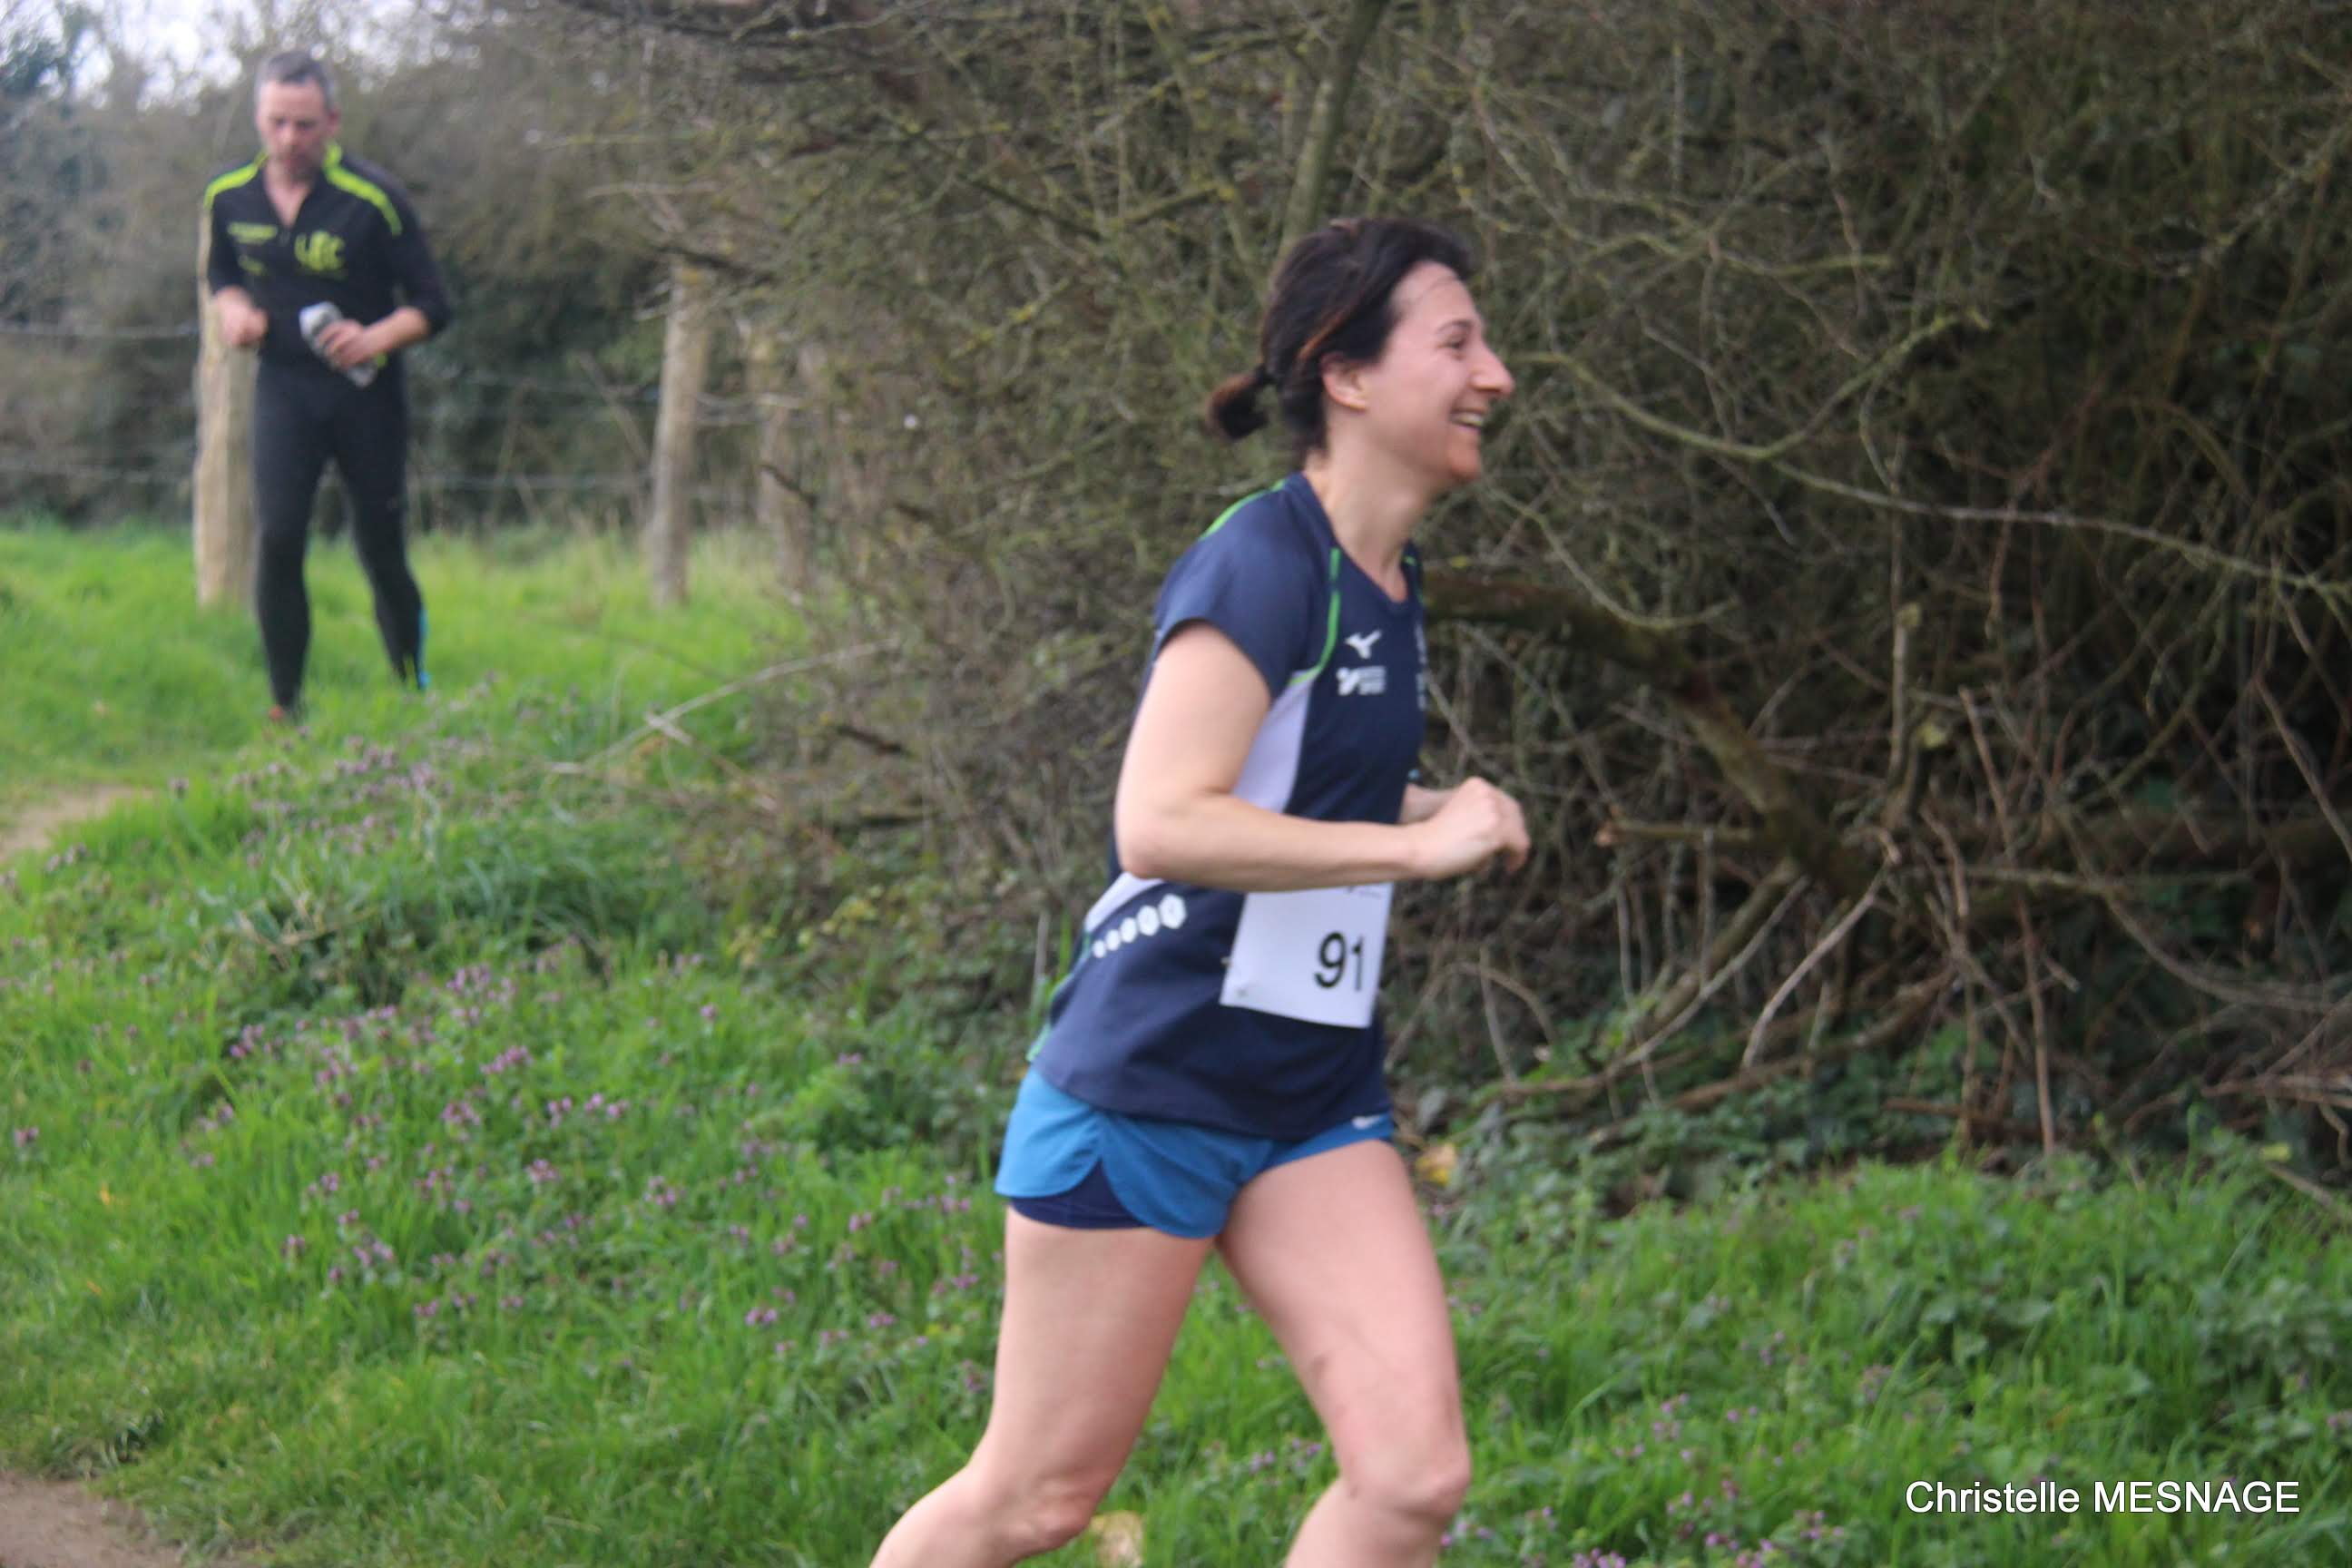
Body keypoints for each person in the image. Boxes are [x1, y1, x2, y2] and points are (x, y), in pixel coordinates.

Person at [869, 216, 1528, 1568]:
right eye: (1458, 343)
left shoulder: (1389, 579)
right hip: (1154, 1080)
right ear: (1349, 375)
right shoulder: (1263, 562)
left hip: (1307, 1087)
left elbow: (1296, 776)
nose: (1495, 374)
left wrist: (1433, 807)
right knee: (1037, 1501)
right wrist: (1413, 849)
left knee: (1411, 1478)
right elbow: (1163, 818)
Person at [202, 50, 455, 720]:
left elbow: (434, 304)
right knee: (279, 538)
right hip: (284, 388)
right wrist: (234, 310)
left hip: (366, 395)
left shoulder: (375, 200)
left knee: (380, 544)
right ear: (258, 118)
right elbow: (223, 273)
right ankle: (286, 707)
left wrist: (376, 337)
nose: (289, 139)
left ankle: (412, 687)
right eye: (276, 122)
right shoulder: (228, 196)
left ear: (333, 122)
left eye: (305, 125)